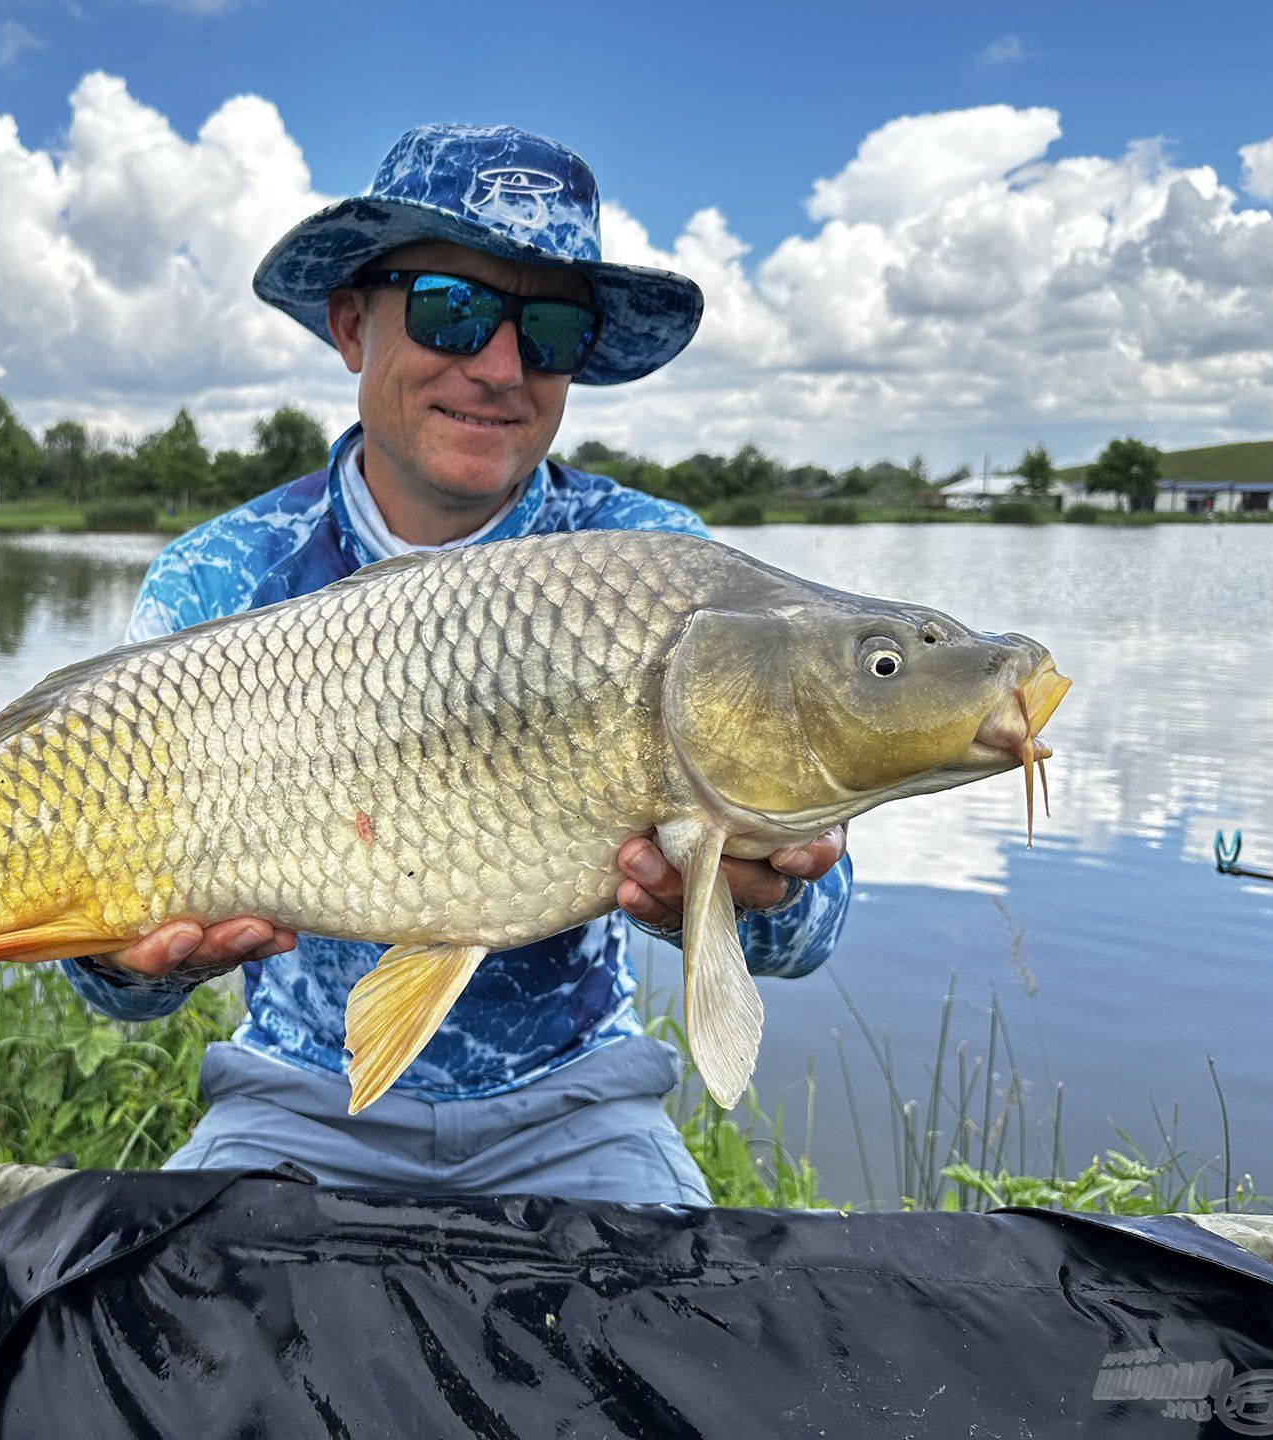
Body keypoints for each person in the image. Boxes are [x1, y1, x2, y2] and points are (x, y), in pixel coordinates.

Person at [61, 123, 852, 1204]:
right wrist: (127, 962)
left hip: (578, 1107)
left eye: (552, 329)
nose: (498, 367)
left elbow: (817, 928)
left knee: (685, 1347)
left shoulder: (655, 563)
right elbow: (115, 999)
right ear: (352, 323)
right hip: (298, 1101)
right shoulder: (224, 577)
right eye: (452, 308)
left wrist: (744, 898)